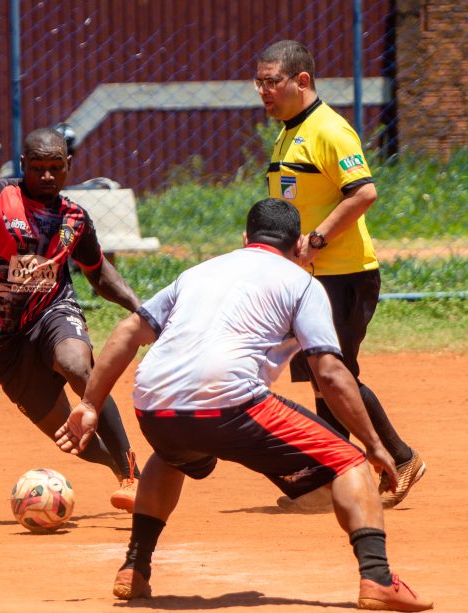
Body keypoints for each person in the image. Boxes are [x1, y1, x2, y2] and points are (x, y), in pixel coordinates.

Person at [55, 199, 433, 611]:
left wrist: (90, 403)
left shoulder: (198, 273)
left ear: (245, 239)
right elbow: (330, 372)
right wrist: (374, 444)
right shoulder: (302, 282)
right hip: (230, 401)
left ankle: (134, 568)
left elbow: (129, 330)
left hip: (153, 402)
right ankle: (377, 578)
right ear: (300, 244)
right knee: (349, 463)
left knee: (172, 457)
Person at [0, 127, 140, 511]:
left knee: (77, 366)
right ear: (23, 166)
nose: (47, 176)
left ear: (69, 166)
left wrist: (139, 306)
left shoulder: (74, 218)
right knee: (68, 436)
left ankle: (131, 476)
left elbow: (98, 272)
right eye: (38, 168)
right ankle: (116, 466)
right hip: (4, 343)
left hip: (54, 311)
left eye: (56, 167)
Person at [255, 40, 425, 509]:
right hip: (310, 277)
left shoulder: (330, 130)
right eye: (260, 82)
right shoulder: (290, 132)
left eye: (272, 81)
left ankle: (400, 456)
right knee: (320, 373)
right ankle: (331, 468)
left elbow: (364, 193)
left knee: (335, 373)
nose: (263, 91)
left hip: (344, 273)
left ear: (301, 81)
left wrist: (318, 241)